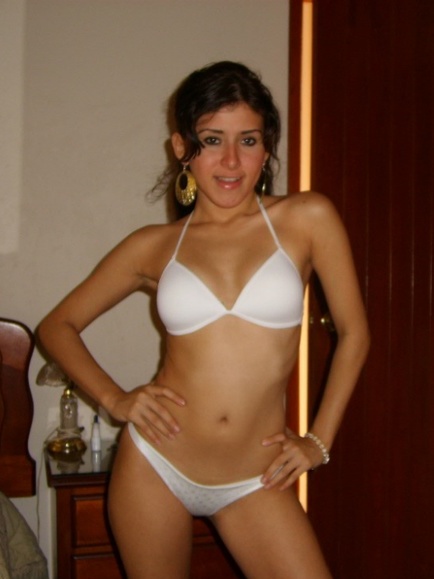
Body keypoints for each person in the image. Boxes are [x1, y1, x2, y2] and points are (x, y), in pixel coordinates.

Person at [38, 61, 370, 578]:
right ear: (181, 147)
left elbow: (354, 334)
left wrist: (318, 442)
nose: (231, 160)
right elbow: (57, 326)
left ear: (267, 146)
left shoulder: (307, 219)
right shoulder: (154, 246)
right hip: (156, 465)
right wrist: (114, 400)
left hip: (256, 477)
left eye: (248, 140)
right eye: (212, 140)